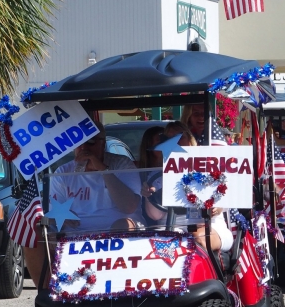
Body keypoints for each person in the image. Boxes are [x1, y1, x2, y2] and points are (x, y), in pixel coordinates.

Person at [26, 122, 145, 289]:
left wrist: (103, 170)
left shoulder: (121, 164)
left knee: (122, 225)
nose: (84, 147)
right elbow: (53, 215)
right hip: (77, 231)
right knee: (32, 233)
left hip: (118, 228)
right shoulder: (63, 172)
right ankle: (46, 293)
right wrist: (62, 218)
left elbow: (129, 207)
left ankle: (114, 288)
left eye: (91, 142)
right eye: (78, 142)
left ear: (103, 143)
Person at [140, 121, 232, 252]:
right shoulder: (157, 175)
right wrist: (151, 196)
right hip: (170, 227)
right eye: (169, 138)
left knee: (198, 239)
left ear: (190, 140)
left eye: (179, 136)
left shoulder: (210, 166)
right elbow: (155, 216)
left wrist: (218, 207)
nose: (174, 142)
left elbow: (226, 194)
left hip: (209, 225)